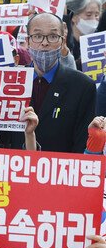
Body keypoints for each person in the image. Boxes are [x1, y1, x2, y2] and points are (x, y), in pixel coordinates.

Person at [24, 12, 95, 153]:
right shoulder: (9, 80)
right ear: (27, 41)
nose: (44, 43)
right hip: (11, 168)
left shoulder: (82, 86)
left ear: (62, 41)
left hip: (62, 170)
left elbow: (82, 144)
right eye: (37, 36)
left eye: (52, 36)